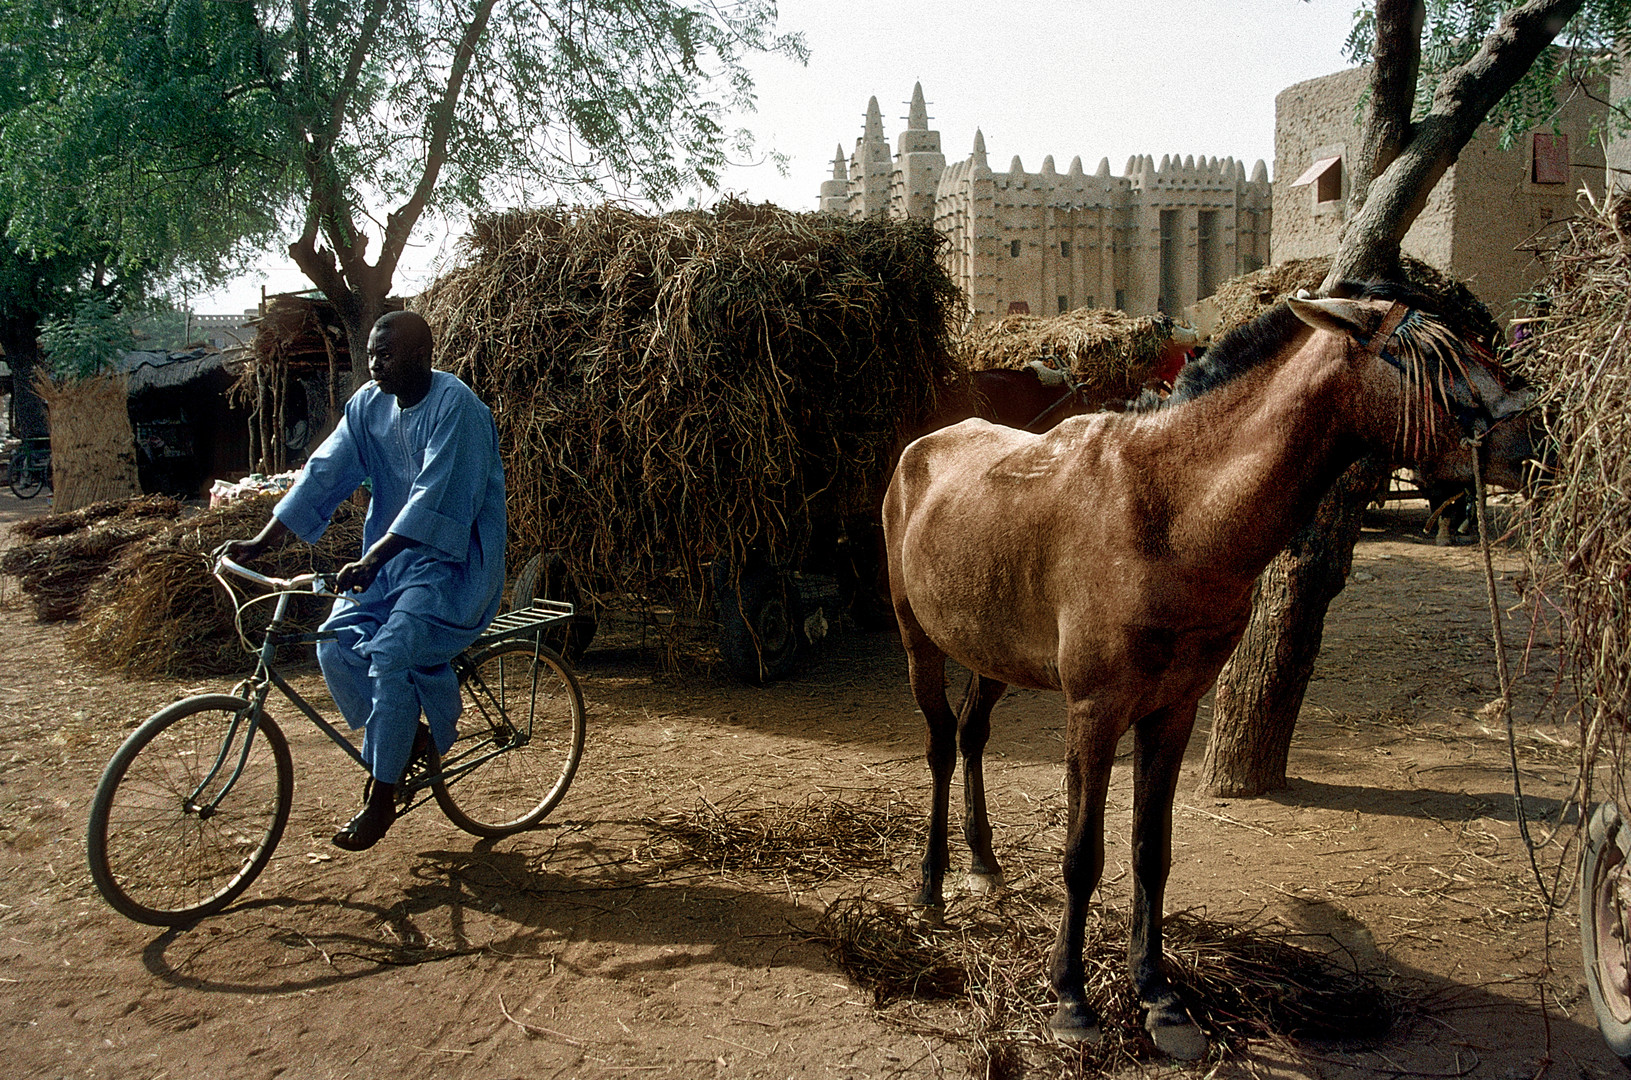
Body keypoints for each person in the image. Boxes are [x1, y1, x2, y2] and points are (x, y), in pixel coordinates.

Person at [218, 311, 506, 851]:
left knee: (393, 653)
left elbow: (435, 501)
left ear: (423, 355)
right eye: (371, 354)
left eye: (387, 355)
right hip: (388, 565)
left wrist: (372, 558)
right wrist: (262, 542)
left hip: (452, 565)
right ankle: (405, 738)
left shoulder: (458, 409)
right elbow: (323, 473)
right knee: (334, 647)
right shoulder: (367, 405)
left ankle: (382, 795)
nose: (374, 365)